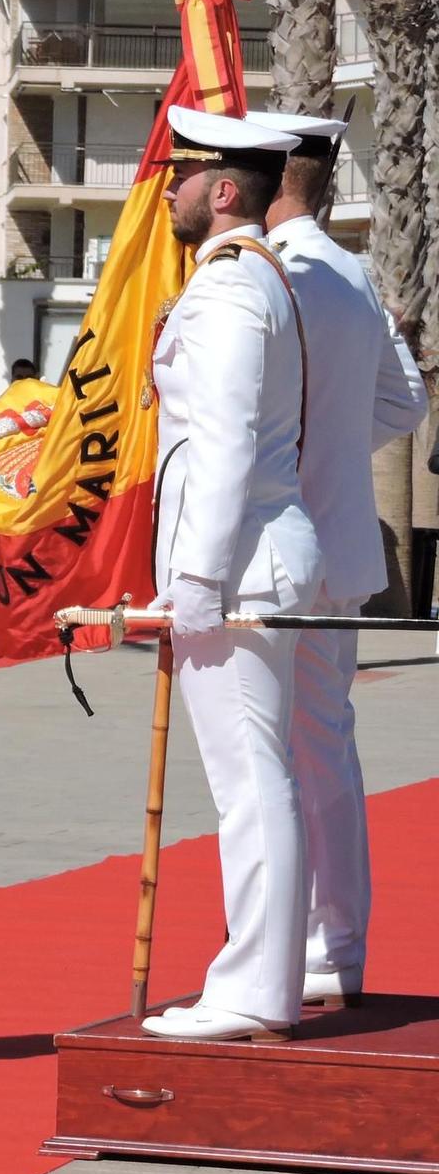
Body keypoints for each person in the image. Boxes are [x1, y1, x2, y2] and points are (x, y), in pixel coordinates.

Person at [140, 107, 322, 1042]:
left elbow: (221, 452)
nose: (164, 189)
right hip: (252, 561)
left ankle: (254, 988)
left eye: (179, 175)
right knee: (261, 779)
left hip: (238, 570)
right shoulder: (247, 280)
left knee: (251, 785)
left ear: (220, 193)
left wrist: (194, 584)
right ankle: (260, 980)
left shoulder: (225, 292)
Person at [256, 108, 428, 1010]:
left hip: (276, 548)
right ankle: (336, 947)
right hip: (337, 545)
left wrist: (298, 452)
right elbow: (403, 407)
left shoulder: (276, 273)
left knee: (264, 757)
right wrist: (325, 450)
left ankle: (279, 958)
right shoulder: (354, 272)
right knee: (325, 749)